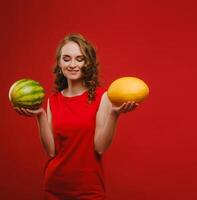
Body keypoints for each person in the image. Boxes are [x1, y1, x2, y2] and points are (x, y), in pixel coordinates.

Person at [14, 33, 138, 199]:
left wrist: (115, 114)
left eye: (79, 59)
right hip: (54, 187)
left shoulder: (103, 97)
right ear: (59, 63)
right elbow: (51, 152)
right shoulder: (53, 100)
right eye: (66, 59)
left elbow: (99, 147)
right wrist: (40, 116)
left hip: (89, 189)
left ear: (88, 63)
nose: (72, 64)